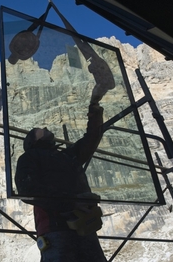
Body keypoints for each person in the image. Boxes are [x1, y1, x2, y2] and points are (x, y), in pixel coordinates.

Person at [15, 101, 107, 262]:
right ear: (33, 141)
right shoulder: (29, 158)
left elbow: (91, 139)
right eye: (39, 131)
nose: (45, 129)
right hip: (55, 229)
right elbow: (27, 191)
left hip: (83, 225)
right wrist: (72, 203)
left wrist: (95, 112)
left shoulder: (67, 156)